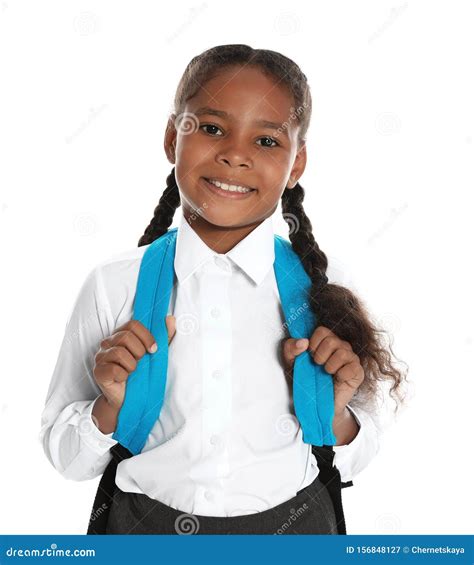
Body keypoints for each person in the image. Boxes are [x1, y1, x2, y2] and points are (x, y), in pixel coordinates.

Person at [39, 44, 408, 535]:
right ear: (173, 139)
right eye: (211, 129)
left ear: (296, 164)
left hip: (295, 528)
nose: (235, 154)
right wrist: (109, 407)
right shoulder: (113, 284)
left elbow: (358, 453)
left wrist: (337, 414)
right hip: (141, 526)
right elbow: (67, 460)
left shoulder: (326, 285)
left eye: (268, 142)